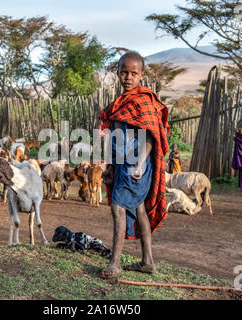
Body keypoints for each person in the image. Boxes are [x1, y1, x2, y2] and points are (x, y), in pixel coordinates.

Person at [99, 51, 170, 278]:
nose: (128, 77)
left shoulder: (144, 100)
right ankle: (147, 261)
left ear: (142, 74)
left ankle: (115, 263)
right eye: (123, 72)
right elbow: (117, 136)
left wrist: (139, 164)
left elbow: (150, 137)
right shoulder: (121, 103)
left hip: (137, 165)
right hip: (123, 164)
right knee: (139, 208)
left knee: (118, 207)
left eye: (133, 73)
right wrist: (111, 166)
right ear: (117, 73)